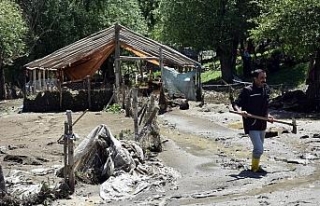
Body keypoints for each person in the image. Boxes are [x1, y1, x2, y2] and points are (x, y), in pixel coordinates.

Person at [233, 69, 273, 172]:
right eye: (261, 78)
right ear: (255, 79)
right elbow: (236, 104)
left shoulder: (266, 89)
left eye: (265, 78)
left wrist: (269, 116)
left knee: (258, 148)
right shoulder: (248, 90)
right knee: (259, 148)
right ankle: (254, 168)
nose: (264, 80)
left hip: (262, 123)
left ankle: (255, 166)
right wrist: (240, 111)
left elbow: (265, 106)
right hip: (251, 123)